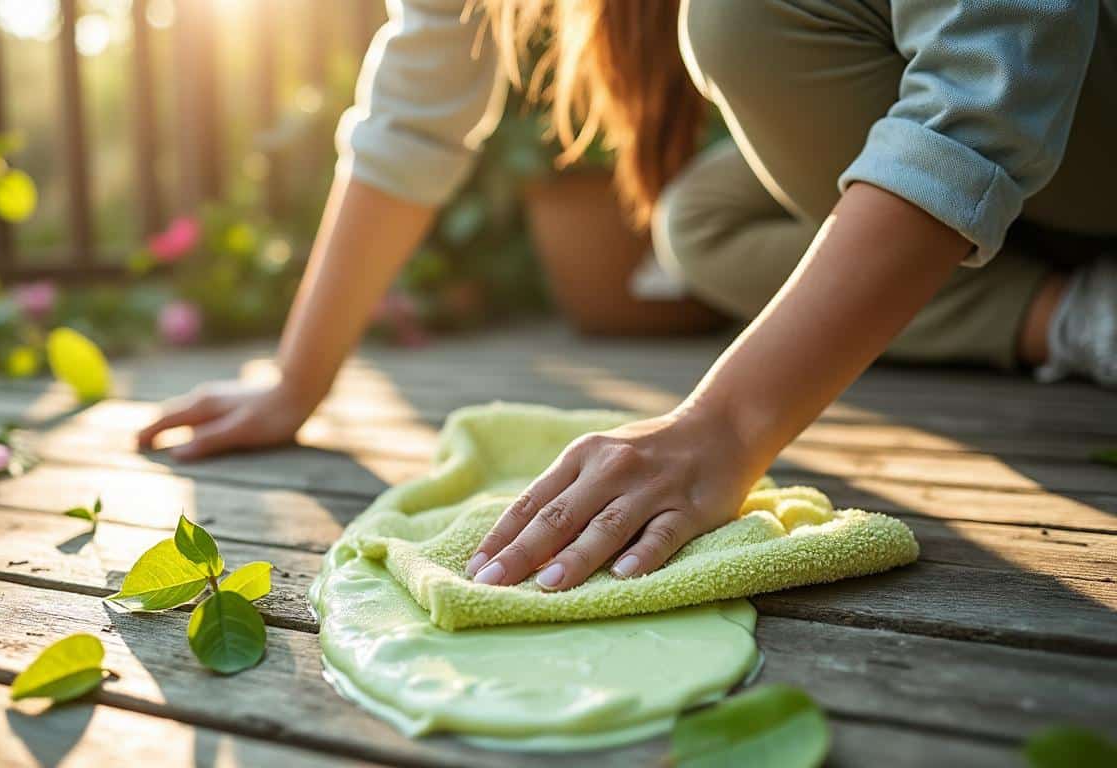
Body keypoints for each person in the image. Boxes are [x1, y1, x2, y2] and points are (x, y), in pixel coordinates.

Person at [139, 0, 1117, 594]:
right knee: (698, 224)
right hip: (1056, 183)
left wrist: (723, 427)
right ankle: (1082, 314)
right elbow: (416, 96)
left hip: (1068, 92)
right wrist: (295, 382)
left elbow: (987, 78)